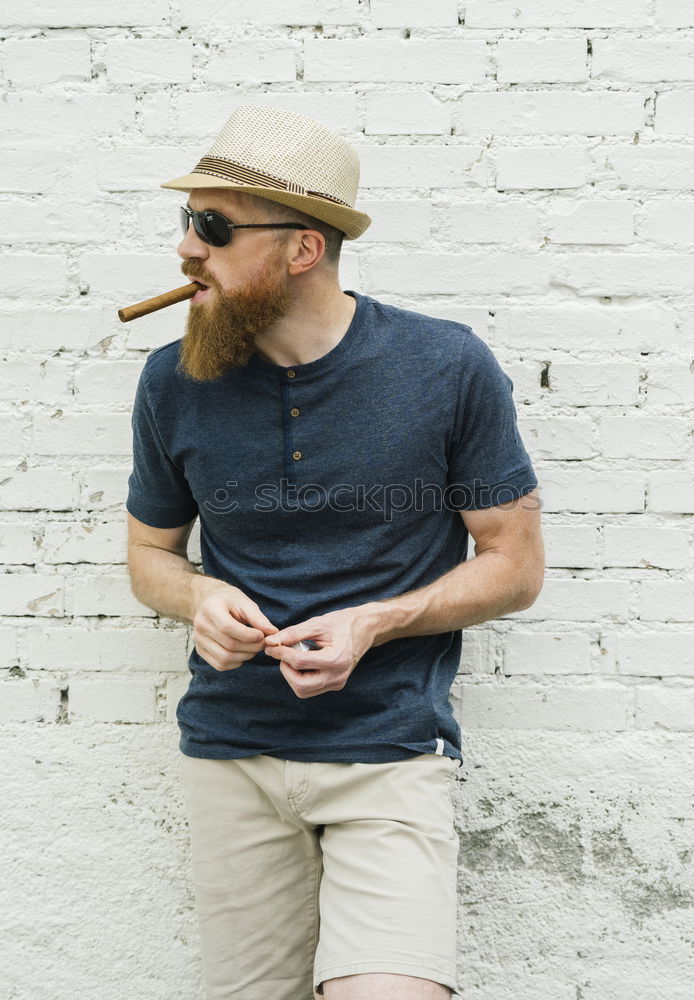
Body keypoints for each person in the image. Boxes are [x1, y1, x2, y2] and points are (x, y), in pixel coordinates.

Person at [125, 104, 544, 1000]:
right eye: (186, 223)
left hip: (388, 751)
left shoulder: (445, 367)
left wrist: (379, 621)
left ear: (300, 249)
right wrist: (196, 598)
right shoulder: (170, 380)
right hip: (231, 755)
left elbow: (514, 565)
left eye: (213, 227)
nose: (186, 249)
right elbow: (149, 557)